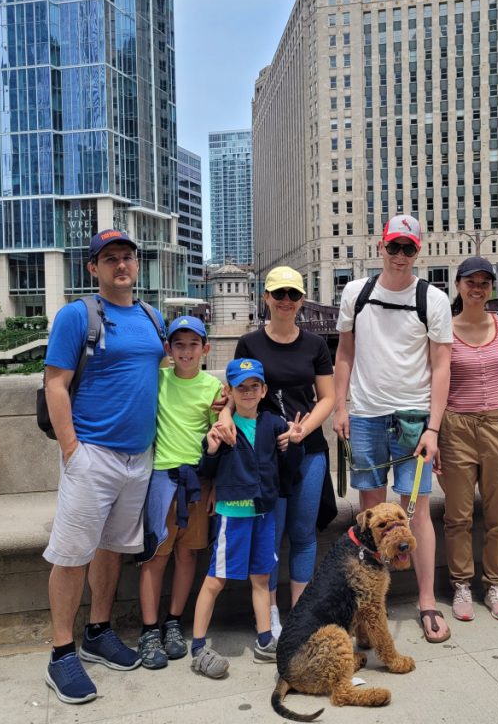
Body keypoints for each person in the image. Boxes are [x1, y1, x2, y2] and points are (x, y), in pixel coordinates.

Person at [42, 229, 166, 704]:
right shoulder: (79, 315)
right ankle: (61, 654)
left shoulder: (152, 318)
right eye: (110, 258)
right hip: (92, 453)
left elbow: (168, 376)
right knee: (72, 554)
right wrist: (72, 450)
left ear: (138, 265)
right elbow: (56, 384)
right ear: (93, 268)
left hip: (140, 457)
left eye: (128, 257)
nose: (121, 265)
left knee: (112, 549)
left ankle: (97, 632)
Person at [332, 213, 454, 644]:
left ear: (418, 252)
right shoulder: (356, 293)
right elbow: (344, 353)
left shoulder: (433, 299)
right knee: (373, 515)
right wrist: (340, 406)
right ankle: (372, 605)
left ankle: (425, 600)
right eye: (394, 246)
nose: (400, 256)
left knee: (417, 512)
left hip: (413, 419)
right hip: (365, 416)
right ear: (380, 247)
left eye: (409, 249)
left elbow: (442, 366)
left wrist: (433, 429)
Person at [235, 266, 336, 637]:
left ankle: (301, 613)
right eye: (279, 295)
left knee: (304, 533)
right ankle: (271, 612)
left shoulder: (315, 345)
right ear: (266, 298)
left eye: (293, 295)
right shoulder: (250, 344)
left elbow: (328, 398)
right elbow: (239, 393)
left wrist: (302, 430)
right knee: (270, 534)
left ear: (302, 300)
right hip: (266, 455)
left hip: (308, 450)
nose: (286, 302)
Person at [189, 358, 304, 678]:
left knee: (262, 579)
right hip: (233, 515)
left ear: (264, 389)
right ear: (229, 391)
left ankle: (266, 640)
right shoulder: (224, 428)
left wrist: (295, 443)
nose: (249, 392)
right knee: (216, 579)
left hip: (264, 512)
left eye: (255, 386)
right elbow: (206, 470)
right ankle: (198, 646)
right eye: (241, 387)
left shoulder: (274, 424)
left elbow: (289, 466)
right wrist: (210, 449)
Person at [439, 257, 498, 622]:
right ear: (457, 285)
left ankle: (495, 584)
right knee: (457, 515)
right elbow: (436, 384)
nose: (477, 288)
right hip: (456, 428)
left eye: (484, 282)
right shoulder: (443, 328)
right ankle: (461, 583)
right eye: (470, 282)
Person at [135, 316, 221, 670]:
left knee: (188, 556)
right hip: (162, 479)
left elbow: (219, 436)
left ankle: (173, 622)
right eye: (179, 345)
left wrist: (215, 485)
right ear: (167, 349)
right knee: (156, 557)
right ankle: (149, 629)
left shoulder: (214, 388)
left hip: (198, 481)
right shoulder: (157, 378)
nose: (186, 352)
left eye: (193, 345)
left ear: (206, 349)